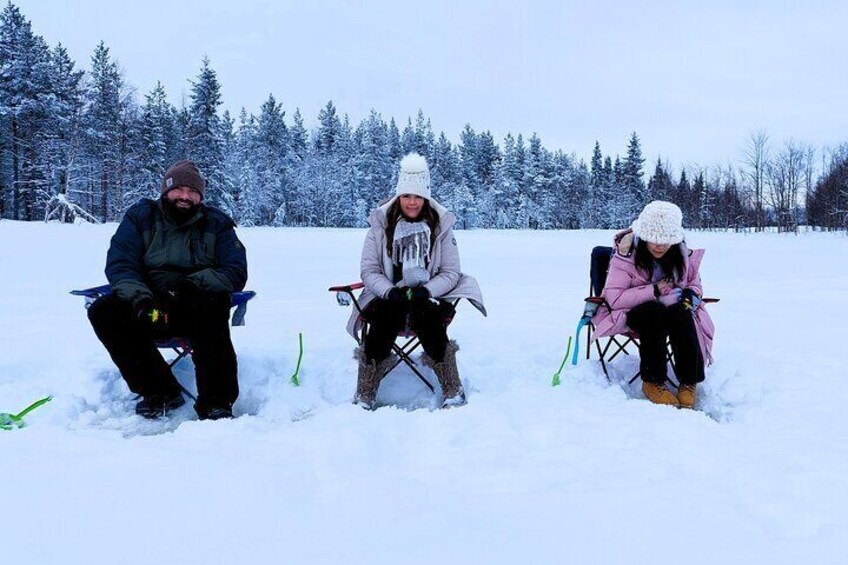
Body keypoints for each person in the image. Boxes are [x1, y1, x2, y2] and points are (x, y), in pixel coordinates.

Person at [87, 160, 248, 420]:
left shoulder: (217, 224)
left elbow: (235, 270)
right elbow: (121, 265)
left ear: (200, 196)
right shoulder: (140, 218)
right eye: (179, 189)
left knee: (213, 307)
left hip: (194, 310)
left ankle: (217, 404)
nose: (185, 196)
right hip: (153, 312)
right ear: (165, 190)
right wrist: (140, 299)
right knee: (104, 311)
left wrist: (194, 284)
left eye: (193, 191)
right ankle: (160, 392)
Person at [348, 153, 486, 410]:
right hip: (388, 297)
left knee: (428, 315)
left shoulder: (441, 228)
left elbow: (450, 272)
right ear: (398, 196)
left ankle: (451, 385)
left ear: (426, 198)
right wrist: (389, 291)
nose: (412, 202)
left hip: (428, 297)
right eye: (406, 196)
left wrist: (427, 290)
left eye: (418, 196)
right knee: (384, 315)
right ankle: (367, 388)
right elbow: (369, 271)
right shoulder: (380, 226)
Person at [591, 201, 714, 408]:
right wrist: (655, 291)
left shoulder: (682, 255)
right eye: (654, 239)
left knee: (682, 313)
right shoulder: (625, 256)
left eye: (666, 240)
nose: (659, 245)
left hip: (673, 310)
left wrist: (691, 296)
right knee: (654, 311)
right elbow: (615, 299)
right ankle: (653, 381)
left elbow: (694, 284)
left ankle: (688, 380)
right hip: (633, 314)